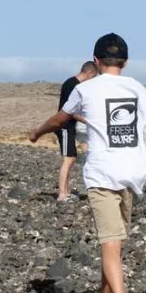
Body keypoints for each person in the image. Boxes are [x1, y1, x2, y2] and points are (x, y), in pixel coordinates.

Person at [29, 33, 146, 293]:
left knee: (109, 245)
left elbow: (60, 119)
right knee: (113, 244)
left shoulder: (86, 89)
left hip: (103, 175)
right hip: (133, 175)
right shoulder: (139, 90)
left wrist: (36, 132)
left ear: (96, 61)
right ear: (125, 62)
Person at [55, 61, 99, 203]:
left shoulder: (71, 83)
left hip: (68, 126)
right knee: (69, 158)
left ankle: (66, 192)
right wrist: (88, 121)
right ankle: (62, 194)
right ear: (90, 73)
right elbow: (68, 111)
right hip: (65, 126)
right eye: (93, 77)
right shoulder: (73, 85)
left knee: (71, 158)